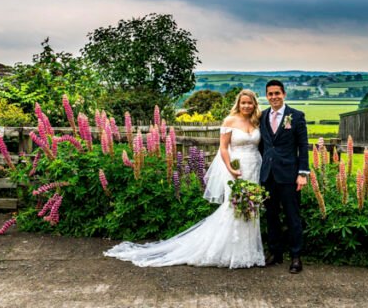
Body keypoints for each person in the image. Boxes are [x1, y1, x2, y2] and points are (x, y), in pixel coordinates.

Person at [104, 89, 265, 268]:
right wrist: (230, 168)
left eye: (250, 103)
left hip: (254, 168)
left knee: (251, 208)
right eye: (243, 103)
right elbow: (224, 148)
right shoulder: (229, 120)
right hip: (236, 169)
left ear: (254, 104)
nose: (246, 106)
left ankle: (249, 252)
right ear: (238, 103)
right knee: (234, 207)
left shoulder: (256, 121)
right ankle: (230, 252)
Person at [258, 79, 310, 273]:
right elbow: (262, 146)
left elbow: (303, 146)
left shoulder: (296, 116)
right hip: (267, 176)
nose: (274, 97)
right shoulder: (262, 116)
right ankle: (275, 253)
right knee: (271, 216)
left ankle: (296, 257)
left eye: (277, 93)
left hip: (289, 176)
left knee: (292, 217)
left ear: (284, 94)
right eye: (270, 94)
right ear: (267, 96)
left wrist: (302, 173)